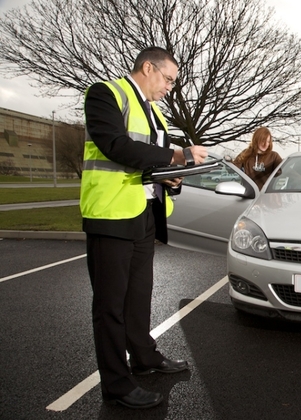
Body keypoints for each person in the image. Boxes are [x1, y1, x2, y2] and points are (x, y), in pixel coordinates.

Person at [81, 46, 207, 409]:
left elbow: (154, 166)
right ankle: (117, 385)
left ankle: (144, 357)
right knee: (110, 305)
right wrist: (177, 155)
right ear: (148, 67)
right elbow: (115, 146)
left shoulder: (156, 115)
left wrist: (174, 179)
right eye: (168, 79)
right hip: (111, 215)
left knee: (138, 296)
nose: (170, 87)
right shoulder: (105, 94)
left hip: (144, 215)